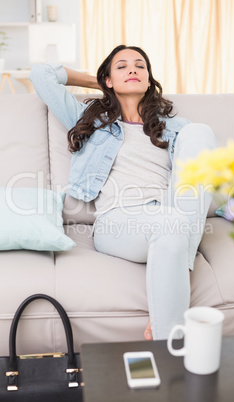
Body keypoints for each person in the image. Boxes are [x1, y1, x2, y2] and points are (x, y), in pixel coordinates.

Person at [30, 44, 217, 341]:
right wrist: (99, 81)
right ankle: (171, 338)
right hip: (118, 222)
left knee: (200, 133)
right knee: (173, 225)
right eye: (122, 66)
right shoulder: (92, 121)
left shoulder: (174, 128)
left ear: (149, 78)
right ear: (108, 79)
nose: (133, 69)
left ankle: (178, 260)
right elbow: (41, 75)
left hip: (171, 215)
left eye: (140, 65)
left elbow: (199, 180)